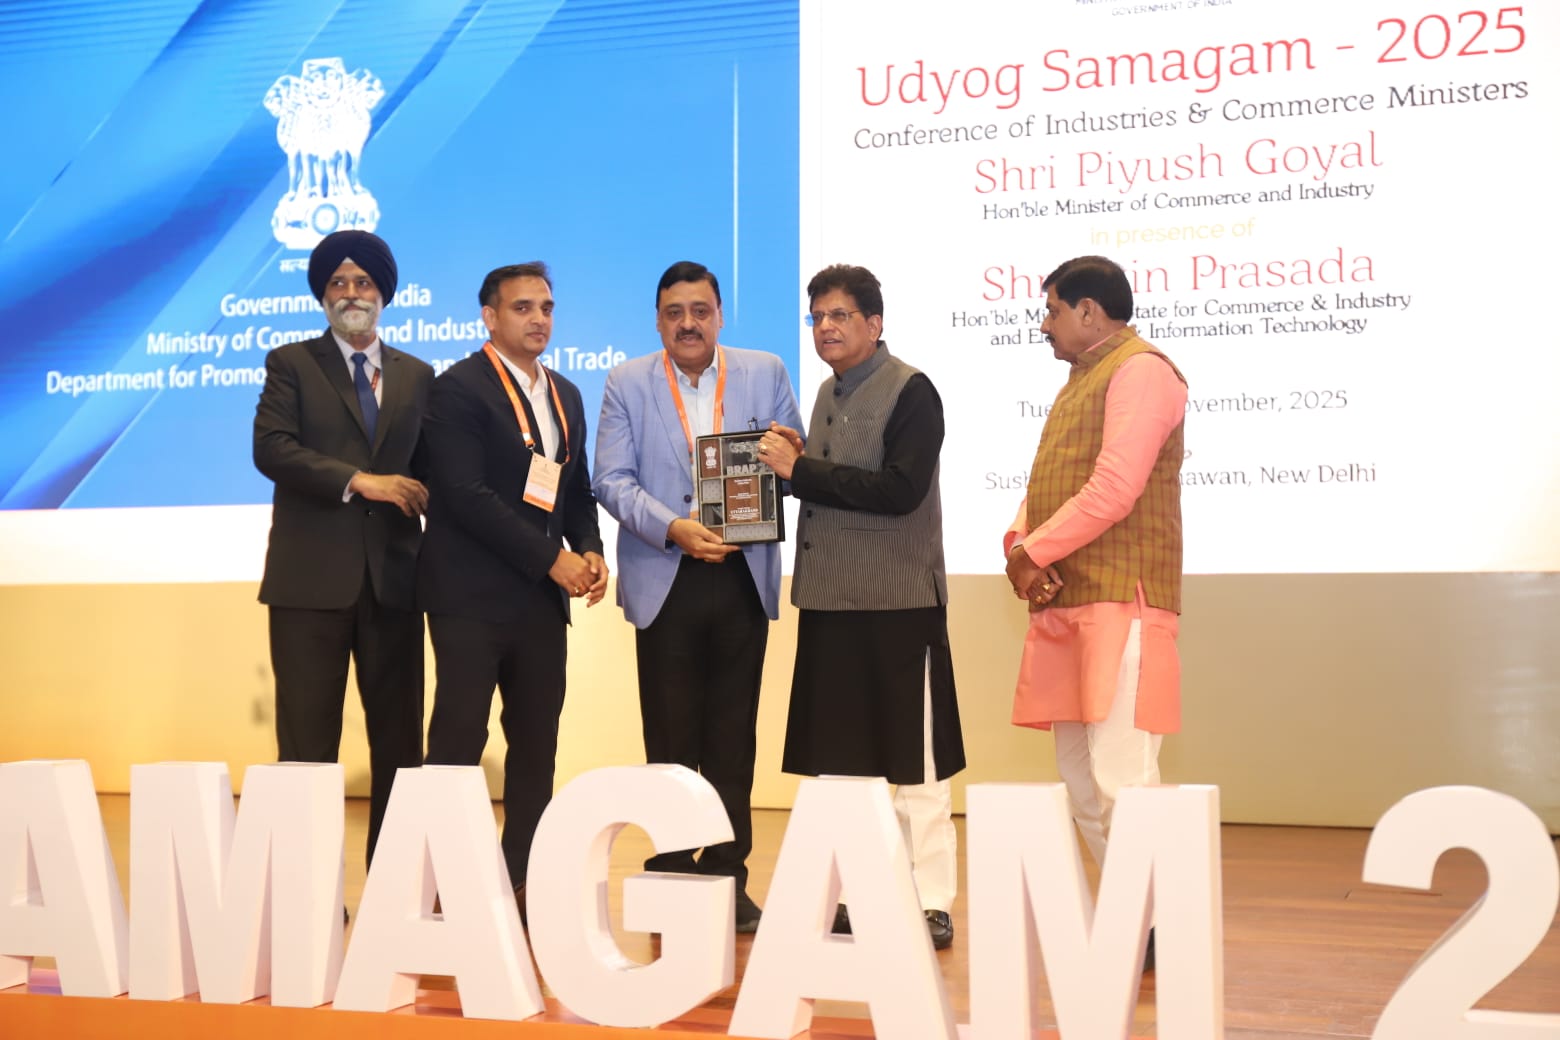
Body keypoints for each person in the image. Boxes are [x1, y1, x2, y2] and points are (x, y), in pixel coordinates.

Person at [593, 261, 805, 933]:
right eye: (674, 312)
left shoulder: (765, 371)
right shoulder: (626, 381)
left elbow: (794, 462)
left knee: (732, 739)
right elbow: (611, 480)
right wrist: (673, 527)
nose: (688, 323)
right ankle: (672, 871)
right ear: (658, 321)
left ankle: (728, 876)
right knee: (670, 737)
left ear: (720, 314)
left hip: (742, 577)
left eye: (700, 310)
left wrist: (788, 456)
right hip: (666, 575)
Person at [758, 263, 964, 951]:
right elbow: (832, 484)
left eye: (840, 315)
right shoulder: (825, 393)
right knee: (846, 764)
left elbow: (900, 490)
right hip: (830, 602)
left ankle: (931, 901)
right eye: (817, 317)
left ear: (875, 324)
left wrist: (802, 471)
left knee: (917, 762)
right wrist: (796, 467)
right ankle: (867, 892)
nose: (826, 327)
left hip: (899, 604)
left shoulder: (913, 390)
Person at [1002, 255, 1188, 970]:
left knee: (1123, 783)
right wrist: (1020, 546)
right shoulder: (1078, 381)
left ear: (1088, 311)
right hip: (1070, 602)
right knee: (1082, 786)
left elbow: (1115, 487)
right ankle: (1132, 922)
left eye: (1051, 310)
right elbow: (1047, 485)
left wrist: (1034, 551)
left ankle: (1163, 926)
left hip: (1122, 601)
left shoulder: (1142, 371)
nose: (1043, 325)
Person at [418, 262, 607, 907]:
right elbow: (464, 495)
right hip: (470, 597)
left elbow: (574, 490)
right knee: (459, 738)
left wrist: (589, 548)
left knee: (536, 740)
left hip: (540, 603)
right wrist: (552, 558)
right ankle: (440, 884)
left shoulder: (566, 394)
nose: (538, 319)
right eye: (522, 307)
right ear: (490, 317)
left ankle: (522, 876)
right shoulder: (457, 389)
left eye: (546, 307)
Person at [254, 229, 432, 870]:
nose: (351, 293)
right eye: (338, 282)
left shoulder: (418, 375)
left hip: (395, 583)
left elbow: (435, 471)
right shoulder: (291, 363)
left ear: (383, 293)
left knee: (400, 745)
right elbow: (272, 449)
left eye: (363, 281)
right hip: (308, 585)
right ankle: (309, 894)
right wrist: (362, 481)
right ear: (322, 294)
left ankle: (393, 885)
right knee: (307, 746)